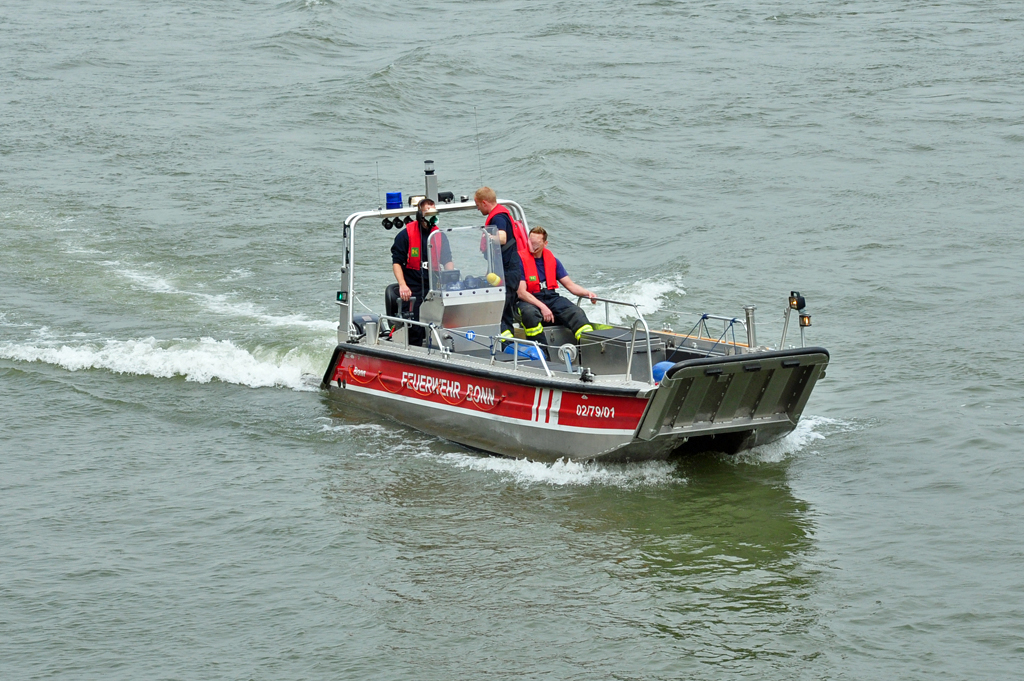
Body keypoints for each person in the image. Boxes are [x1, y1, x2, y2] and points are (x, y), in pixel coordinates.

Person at [516, 226, 596, 343]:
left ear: (545, 243)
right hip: (528, 300)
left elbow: (570, 285)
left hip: (550, 297)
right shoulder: (519, 261)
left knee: (576, 312)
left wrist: (588, 293)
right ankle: (542, 353)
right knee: (530, 314)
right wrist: (543, 307)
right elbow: (521, 292)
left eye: (536, 244)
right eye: (530, 243)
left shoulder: (553, 261)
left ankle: (587, 346)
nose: (532, 247)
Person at [390, 198, 453, 343]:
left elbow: (447, 260)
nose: (432, 218)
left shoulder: (440, 235)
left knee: (443, 321)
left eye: (434, 214)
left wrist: (451, 280)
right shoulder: (405, 235)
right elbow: (397, 262)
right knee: (415, 327)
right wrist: (402, 285)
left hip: (434, 283)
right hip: (413, 285)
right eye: (428, 214)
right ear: (421, 215)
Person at [474, 187, 524, 340]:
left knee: (502, 311)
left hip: (508, 270)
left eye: (477, 205)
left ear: (484, 202)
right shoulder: (501, 214)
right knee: (504, 309)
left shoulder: (498, 217)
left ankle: (506, 345)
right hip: (504, 269)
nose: (477, 208)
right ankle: (505, 343)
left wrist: (488, 235)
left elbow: (502, 238)